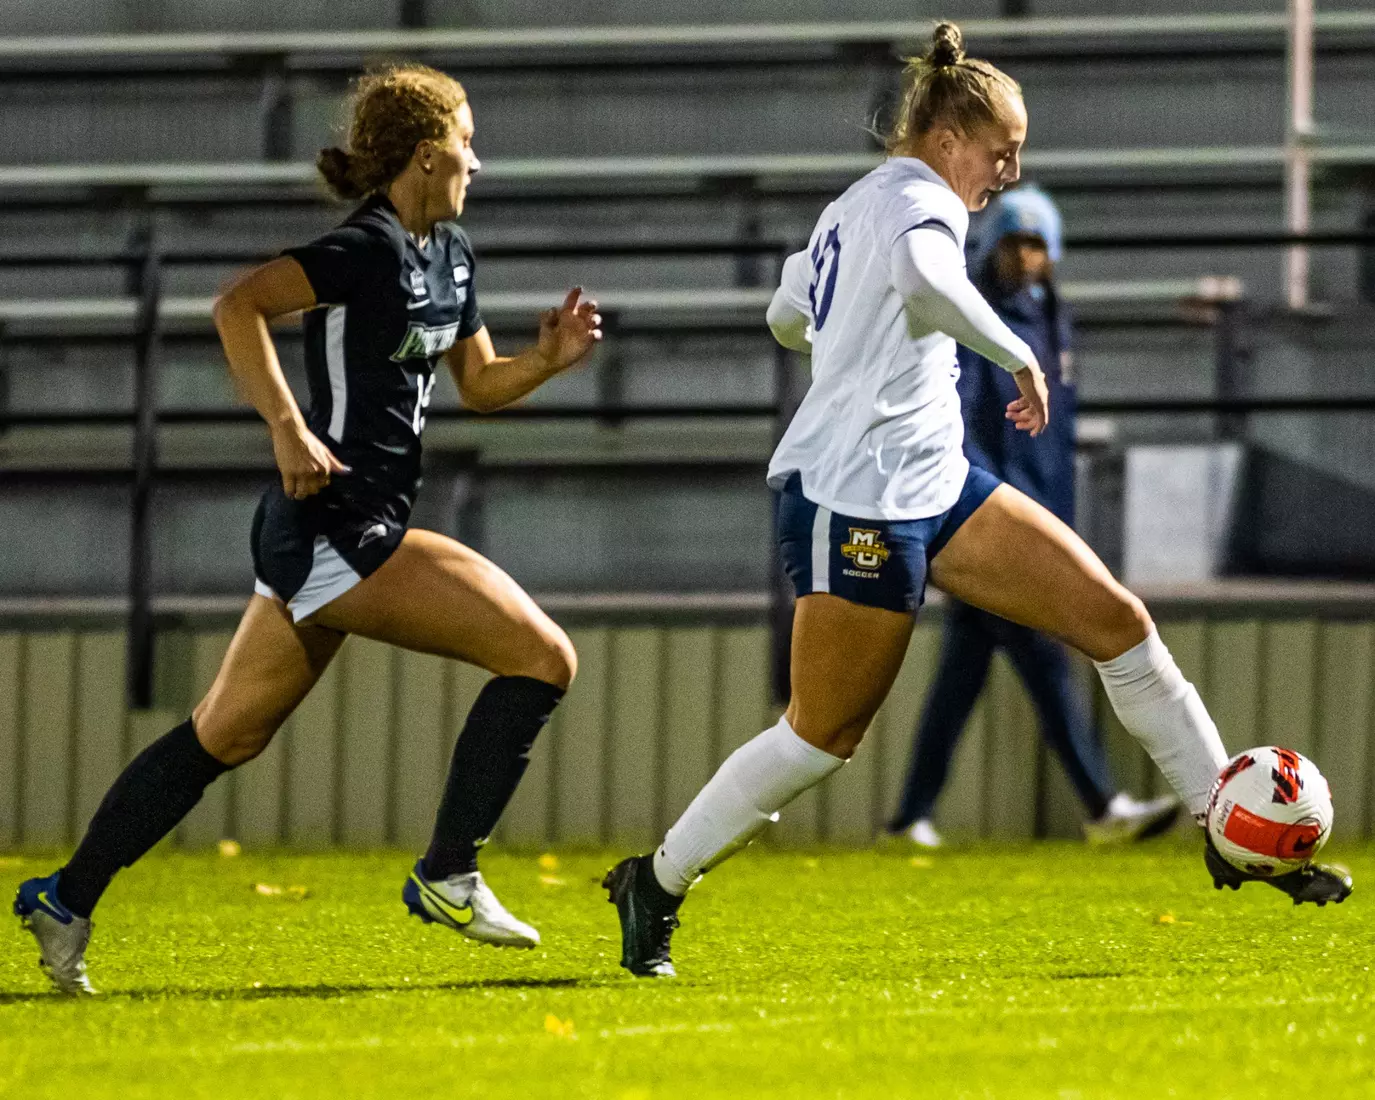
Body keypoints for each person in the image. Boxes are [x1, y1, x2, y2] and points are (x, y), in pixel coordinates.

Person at [602, 22, 1352, 979]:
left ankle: (1222, 822)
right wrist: (1015, 350)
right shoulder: (920, 198)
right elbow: (919, 277)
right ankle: (654, 884)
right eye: (1002, 153)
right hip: (854, 497)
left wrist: (839, 336)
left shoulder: (855, 204)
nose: (1007, 171)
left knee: (1115, 622)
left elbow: (786, 310)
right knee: (821, 734)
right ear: (949, 138)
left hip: (933, 478)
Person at [14, 64, 602, 995]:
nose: (477, 162)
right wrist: (286, 427)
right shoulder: (362, 248)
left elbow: (479, 385)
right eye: (466, 140)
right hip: (336, 522)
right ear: (423, 154)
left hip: (342, 525)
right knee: (542, 657)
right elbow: (236, 303)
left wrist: (549, 361)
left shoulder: (451, 254)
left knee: (224, 735)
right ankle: (448, 872)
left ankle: (65, 898)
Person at [888, 185, 1180, 849]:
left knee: (960, 682)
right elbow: (960, 426)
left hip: (1040, 512)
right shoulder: (974, 316)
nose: (1027, 256)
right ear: (995, 246)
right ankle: (1101, 805)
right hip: (991, 520)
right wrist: (982, 512)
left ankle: (910, 815)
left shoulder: (1051, 316)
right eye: (1017, 242)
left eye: (1038, 244)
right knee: (1044, 663)